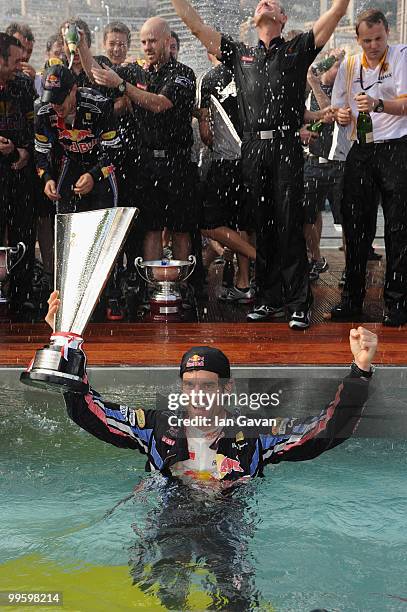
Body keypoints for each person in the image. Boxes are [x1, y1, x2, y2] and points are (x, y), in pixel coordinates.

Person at [43, 290, 377, 481]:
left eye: (207, 385)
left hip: (227, 523)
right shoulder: (156, 426)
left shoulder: (255, 434)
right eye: (190, 385)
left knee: (234, 598)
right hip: (168, 516)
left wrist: (359, 371)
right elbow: (90, 413)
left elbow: (322, 433)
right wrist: (65, 348)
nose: (198, 394)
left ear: (226, 389)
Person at [168, 0, 352, 329]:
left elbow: (336, 13)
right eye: (259, 3)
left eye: (273, 3)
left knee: (288, 222)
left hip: (285, 145)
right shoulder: (240, 54)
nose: (264, 2)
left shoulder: (297, 50)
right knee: (261, 225)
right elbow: (196, 27)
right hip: (252, 147)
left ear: (282, 18)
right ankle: (268, 299)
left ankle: (298, 303)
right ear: (255, 20)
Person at [92, 17, 196, 266]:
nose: (147, 46)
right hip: (146, 162)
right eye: (143, 42)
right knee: (151, 228)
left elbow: (159, 104)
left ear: (168, 42)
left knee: (180, 229)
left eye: (153, 41)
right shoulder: (134, 71)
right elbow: (96, 74)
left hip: (177, 161)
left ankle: (179, 288)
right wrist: (81, 46)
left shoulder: (184, 74)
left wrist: (122, 86)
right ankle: (153, 290)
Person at [329, 9, 407, 327]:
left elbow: (404, 104)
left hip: (395, 149)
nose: (373, 45)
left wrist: (378, 104)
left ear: (387, 33)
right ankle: (352, 300)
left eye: (378, 38)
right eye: (366, 40)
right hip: (361, 150)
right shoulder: (349, 64)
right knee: (356, 227)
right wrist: (342, 116)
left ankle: (397, 301)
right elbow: (338, 108)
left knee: (398, 229)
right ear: (356, 38)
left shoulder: (401, 55)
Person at [0, 33, 36, 319]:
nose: (19, 65)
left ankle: (22, 296)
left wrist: (23, 150)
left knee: (23, 231)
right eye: (14, 60)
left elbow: (32, 125)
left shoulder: (23, 86)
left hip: (19, 173)